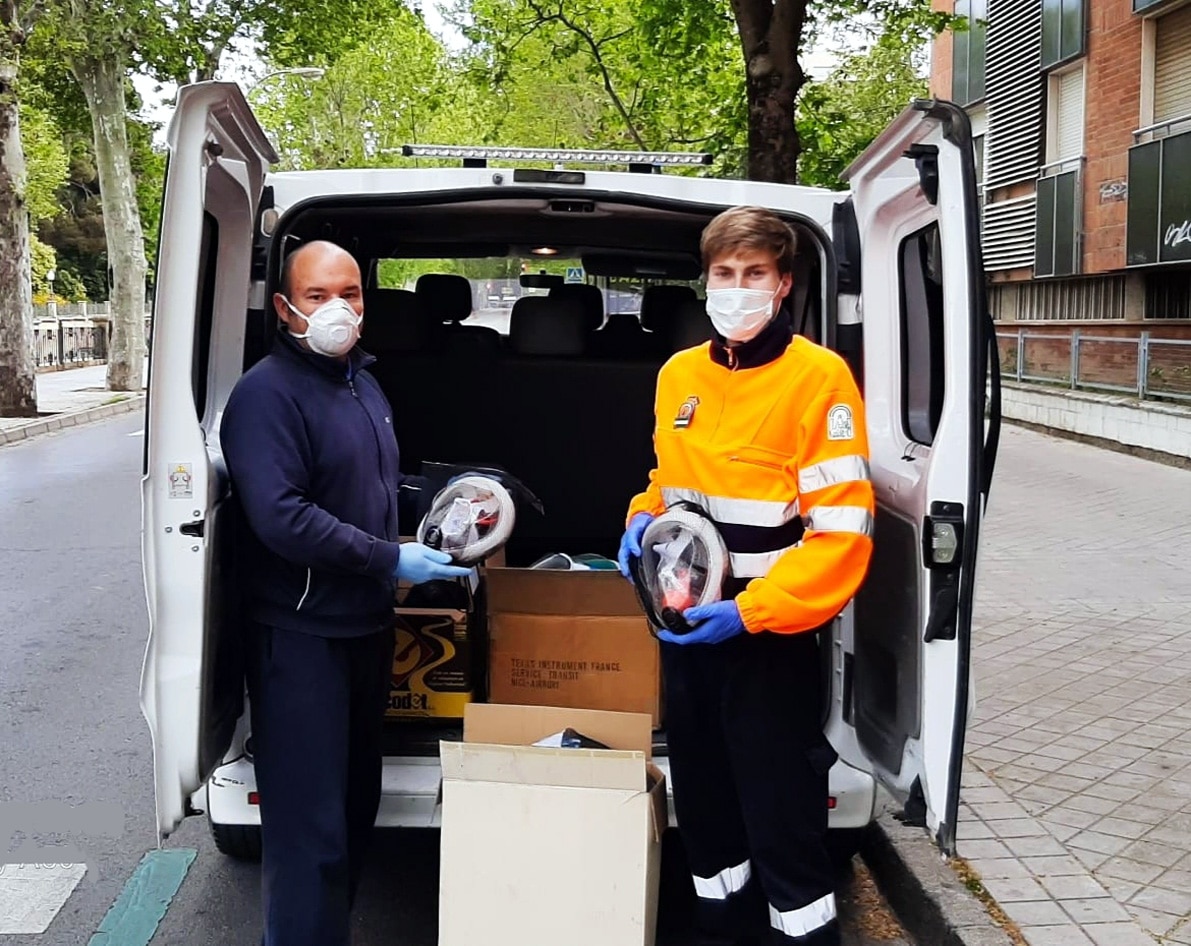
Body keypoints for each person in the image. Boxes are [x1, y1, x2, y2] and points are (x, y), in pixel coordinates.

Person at [618, 207, 875, 946]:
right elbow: (668, 484)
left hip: (766, 642)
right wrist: (639, 517)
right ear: (705, 282)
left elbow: (842, 533)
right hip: (684, 629)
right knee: (704, 815)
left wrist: (752, 612)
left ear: (783, 284)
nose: (737, 289)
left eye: (753, 274)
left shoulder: (818, 379)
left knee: (781, 820)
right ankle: (719, 929)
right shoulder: (679, 376)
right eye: (724, 275)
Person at [219, 240, 470, 946]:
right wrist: (390, 559)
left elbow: (372, 488)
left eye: (351, 294)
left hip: (362, 629)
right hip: (301, 640)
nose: (337, 309)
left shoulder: (361, 382)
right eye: (318, 295)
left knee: (356, 814)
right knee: (311, 836)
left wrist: (452, 518)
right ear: (284, 308)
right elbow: (282, 518)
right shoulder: (266, 395)